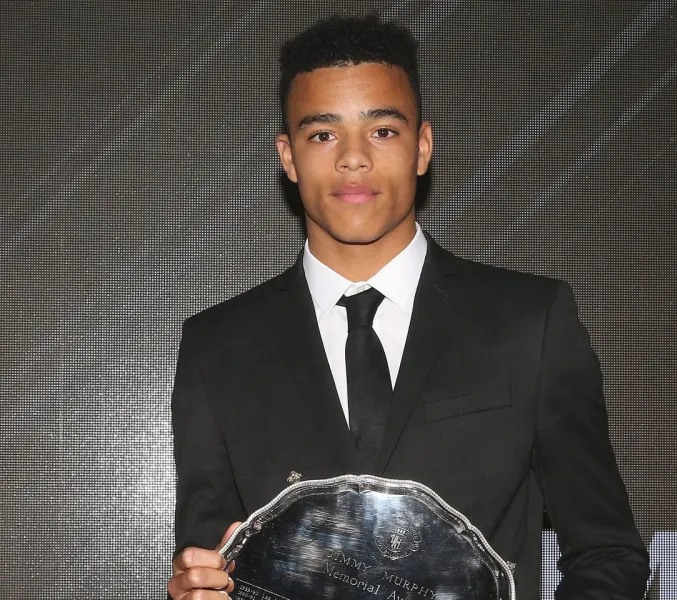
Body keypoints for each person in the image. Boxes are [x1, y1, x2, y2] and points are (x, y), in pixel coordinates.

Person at [167, 14, 650, 600]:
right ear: (288, 157)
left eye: (382, 130)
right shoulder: (217, 347)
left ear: (422, 147)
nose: (353, 158)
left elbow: (608, 553)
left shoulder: (530, 322)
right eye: (322, 135)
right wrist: (197, 586)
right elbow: (208, 555)